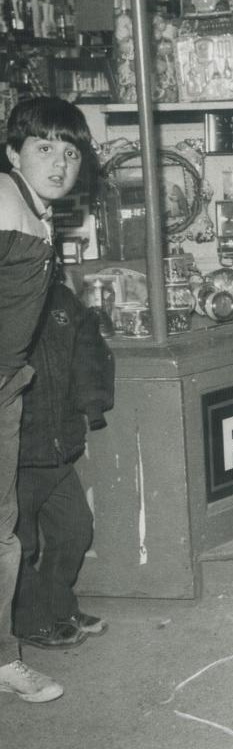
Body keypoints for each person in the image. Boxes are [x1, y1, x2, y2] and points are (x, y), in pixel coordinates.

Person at [0, 96, 92, 703]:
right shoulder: (6, 202)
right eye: (43, 148)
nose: (59, 163)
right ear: (13, 152)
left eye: (71, 150)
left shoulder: (32, 209)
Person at [13, 275, 114, 649]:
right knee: (17, 547)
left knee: (75, 529)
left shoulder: (59, 297)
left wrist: (91, 404)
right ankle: (31, 621)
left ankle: (58, 607)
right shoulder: (11, 296)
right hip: (18, 453)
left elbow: (88, 349)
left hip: (57, 450)